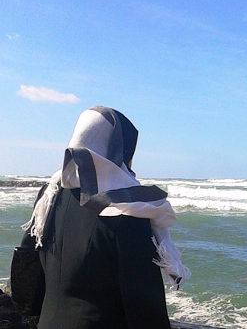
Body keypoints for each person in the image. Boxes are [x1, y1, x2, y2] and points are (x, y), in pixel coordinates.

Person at [19, 106, 190, 329]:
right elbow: (145, 308)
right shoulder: (127, 210)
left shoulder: (50, 195)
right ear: (120, 152)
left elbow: (29, 260)